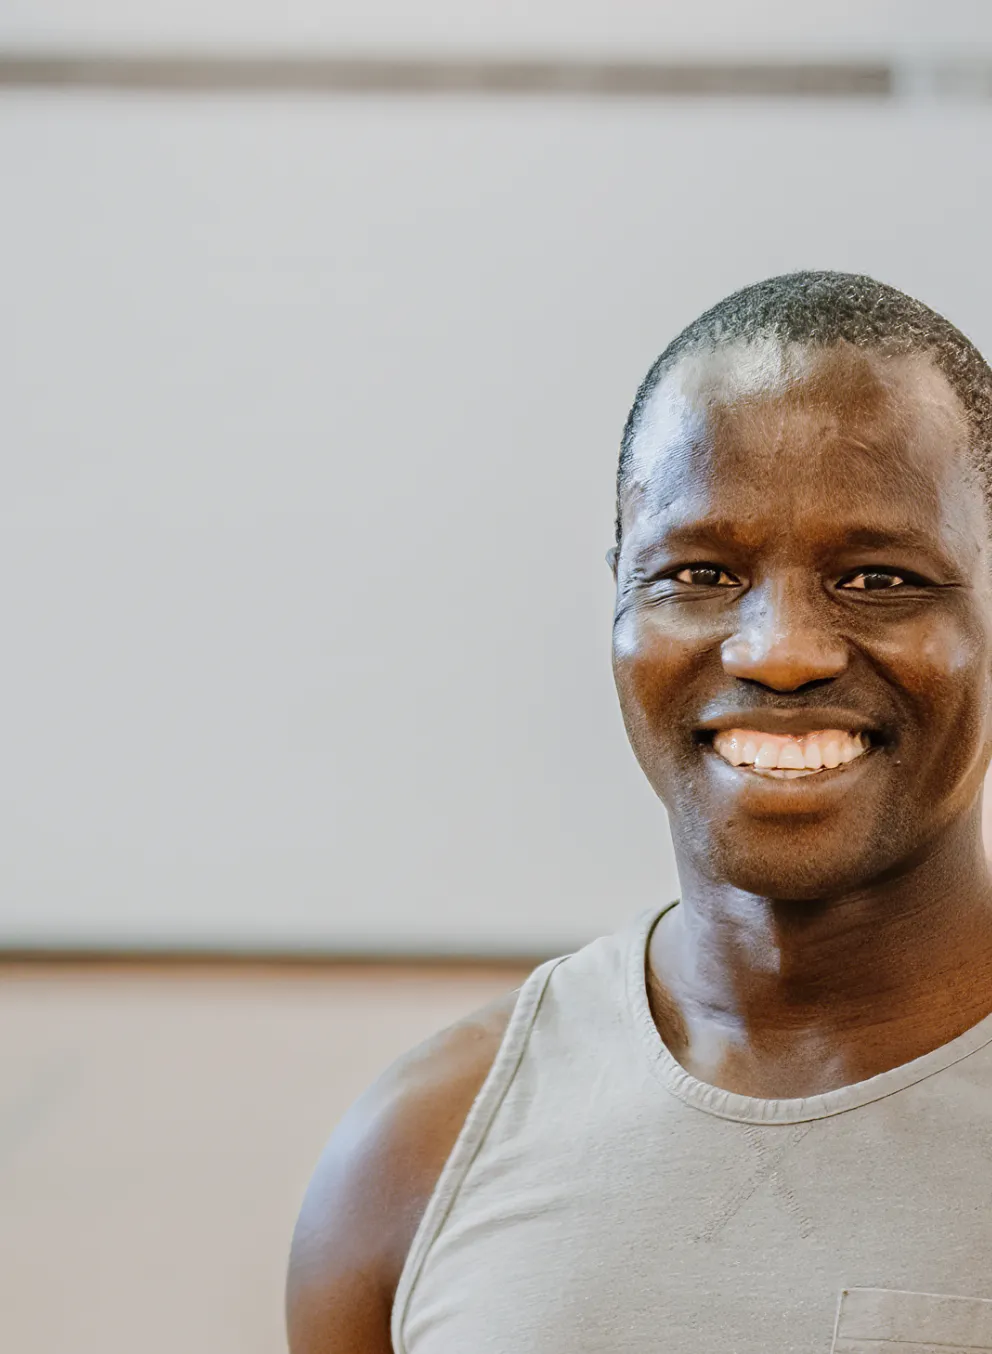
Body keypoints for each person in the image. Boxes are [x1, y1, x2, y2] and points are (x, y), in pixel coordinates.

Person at [286, 272, 992, 1353]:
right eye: (698, 572)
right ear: (619, 596)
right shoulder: (419, 1154)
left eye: (878, 579)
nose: (780, 650)